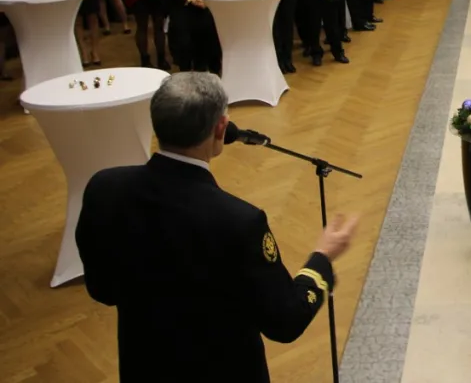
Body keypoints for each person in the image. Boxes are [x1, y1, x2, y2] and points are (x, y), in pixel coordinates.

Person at [75, 72, 357, 382]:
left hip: (144, 367)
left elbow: (102, 289)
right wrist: (322, 259)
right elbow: (286, 321)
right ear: (221, 128)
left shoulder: (104, 188)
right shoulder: (239, 222)